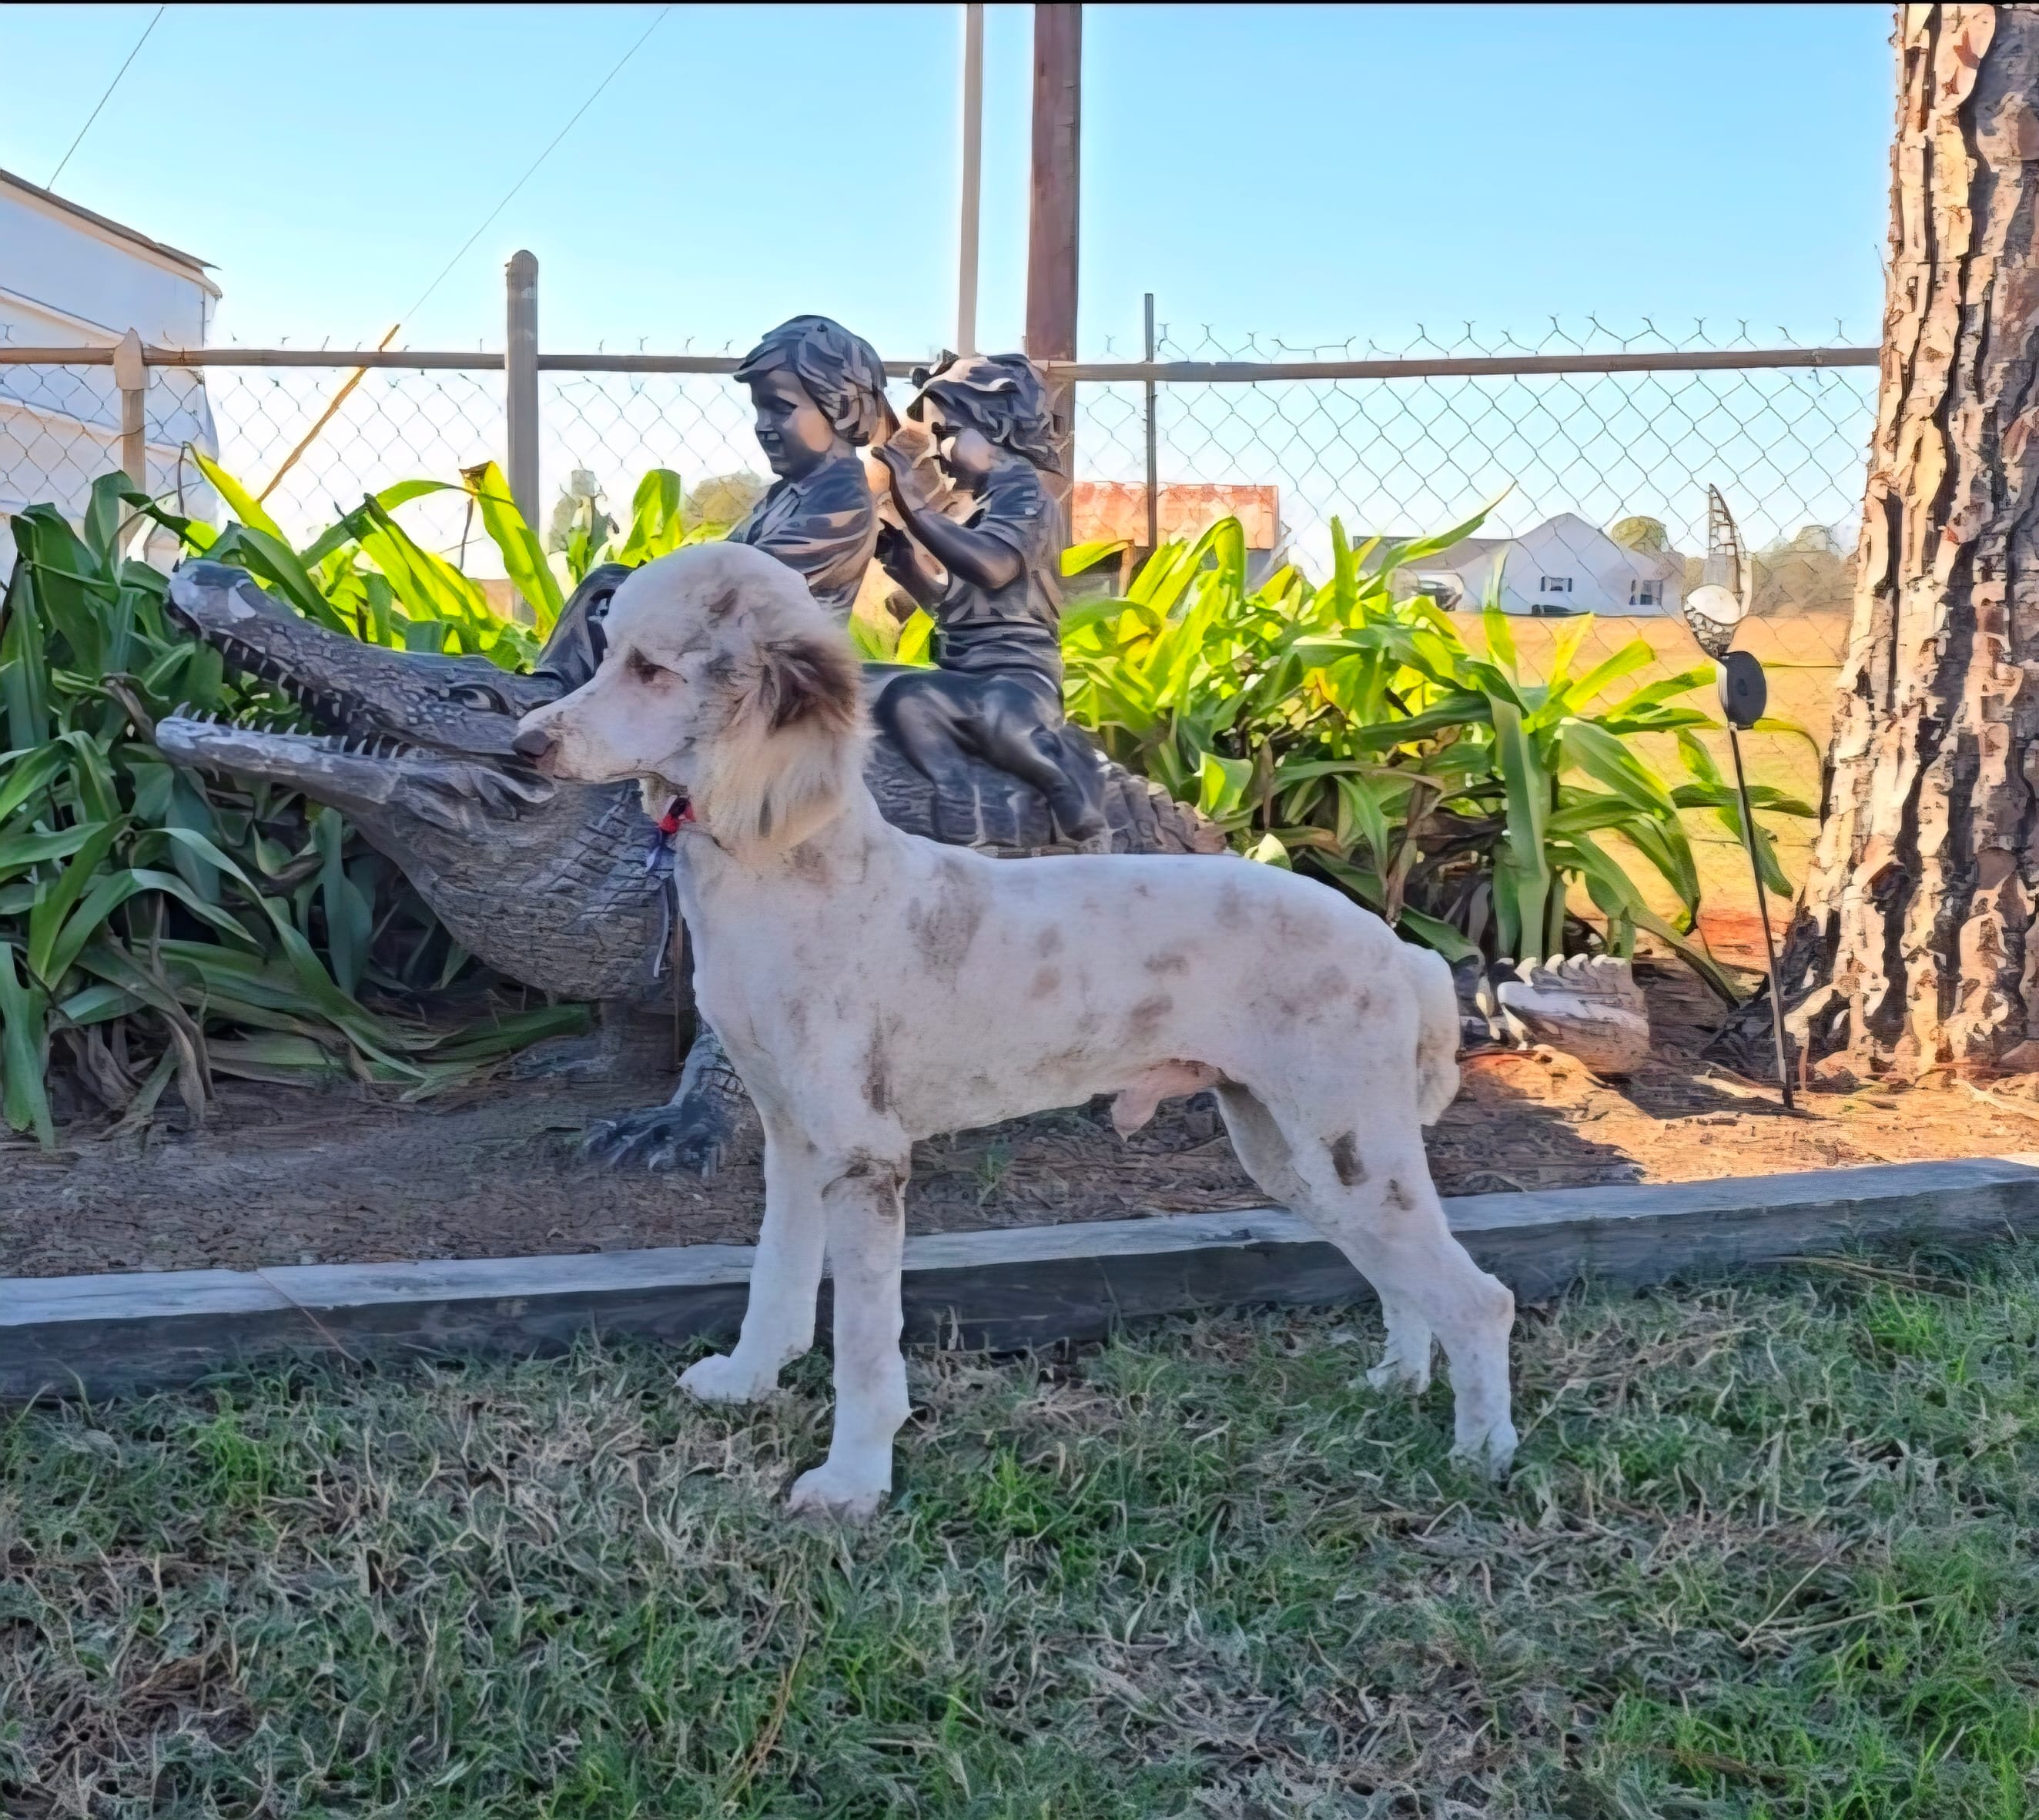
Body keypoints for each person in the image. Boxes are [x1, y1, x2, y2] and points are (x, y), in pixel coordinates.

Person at [869, 353, 1106, 847]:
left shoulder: (1023, 495)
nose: (935, 451)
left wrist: (912, 504)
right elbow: (956, 611)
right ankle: (951, 784)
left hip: (1015, 679)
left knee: (984, 715)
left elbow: (993, 566)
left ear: (997, 428)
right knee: (870, 685)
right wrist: (909, 567)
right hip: (963, 678)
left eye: (946, 432)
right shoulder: (971, 507)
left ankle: (1056, 780)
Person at [726, 314, 892, 618]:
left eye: (780, 408)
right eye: (759, 411)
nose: (763, 426)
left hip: (792, 662)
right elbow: (723, 555)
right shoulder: (787, 493)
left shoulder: (841, 505)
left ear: (844, 409)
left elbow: (733, 582)